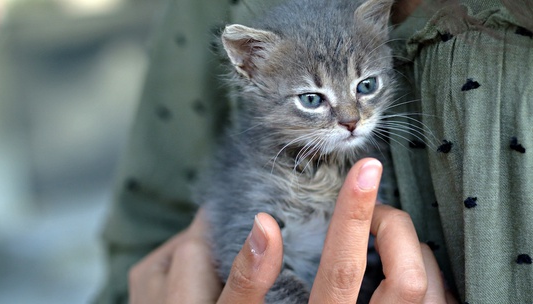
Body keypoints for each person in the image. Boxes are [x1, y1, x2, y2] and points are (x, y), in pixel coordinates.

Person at [93, 0, 533, 303]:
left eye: (366, 87)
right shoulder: (262, 168)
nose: (350, 119)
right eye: (312, 98)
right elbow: (152, 238)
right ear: (249, 68)